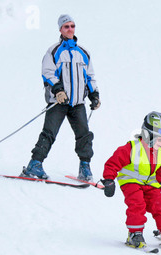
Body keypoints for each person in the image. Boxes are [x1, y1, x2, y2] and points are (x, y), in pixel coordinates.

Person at [21, 14, 101, 181]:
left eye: (72, 26)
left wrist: (94, 95)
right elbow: (48, 73)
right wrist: (58, 90)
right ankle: (34, 164)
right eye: (66, 26)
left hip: (77, 103)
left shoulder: (83, 53)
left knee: (84, 135)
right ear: (60, 29)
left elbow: (90, 76)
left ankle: (85, 167)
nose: (70, 29)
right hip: (58, 102)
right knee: (49, 133)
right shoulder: (54, 51)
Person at [102, 111, 161, 249]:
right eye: (160, 137)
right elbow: (112, 163)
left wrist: (158, 183)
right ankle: (135, 233)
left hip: (150, 185)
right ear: (148, 134)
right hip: (130, 182)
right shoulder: (131, 148)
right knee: (137, 203)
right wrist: (109, 180)